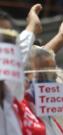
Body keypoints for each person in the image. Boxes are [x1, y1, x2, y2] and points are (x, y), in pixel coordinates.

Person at [0, 4, 42, 135]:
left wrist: (32, 27)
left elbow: (21, 54)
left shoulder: (10, 91)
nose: (6, 47)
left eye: (8, 38)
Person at [24, 46, 63, 135]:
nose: (49, 81)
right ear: (26, 76)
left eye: (52, 75)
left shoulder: (52, 118)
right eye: (42, 75)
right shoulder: (20, 112)